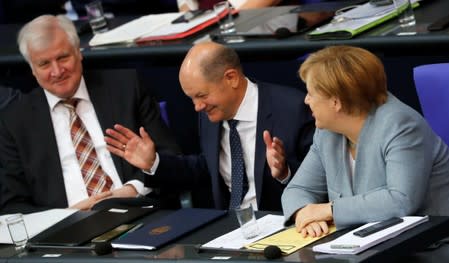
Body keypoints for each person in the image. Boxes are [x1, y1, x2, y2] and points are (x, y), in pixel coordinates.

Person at [0, 15, 180, 214]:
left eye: (63, 58)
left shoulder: (125, 87)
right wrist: (65, 215)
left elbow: (170, 156)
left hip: (140, 211)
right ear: (32, 69)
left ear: (79, 53)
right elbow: (12, 205)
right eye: (44, 64)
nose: (57, 71)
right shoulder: (14, 120)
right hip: (65, 234)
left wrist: (133, 190)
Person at [105, 42, 314, 211]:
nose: (197, 107)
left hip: (282, 222)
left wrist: (285, 171)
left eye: (202, 95)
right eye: (191, 98)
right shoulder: (211, 113)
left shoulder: (292, 108)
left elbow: (320, 181)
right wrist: (154, 163)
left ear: (231, 78)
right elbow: (206, 168)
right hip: (228, 228)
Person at [282, 45, 449, 238]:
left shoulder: (401, 126)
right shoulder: (327, 132)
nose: (306, 100)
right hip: (365, 246)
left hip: (426, 244)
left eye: (310, 93)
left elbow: (400, 200)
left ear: (335, 102)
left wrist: (329, 210)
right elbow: (298, 189)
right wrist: (304, 212)